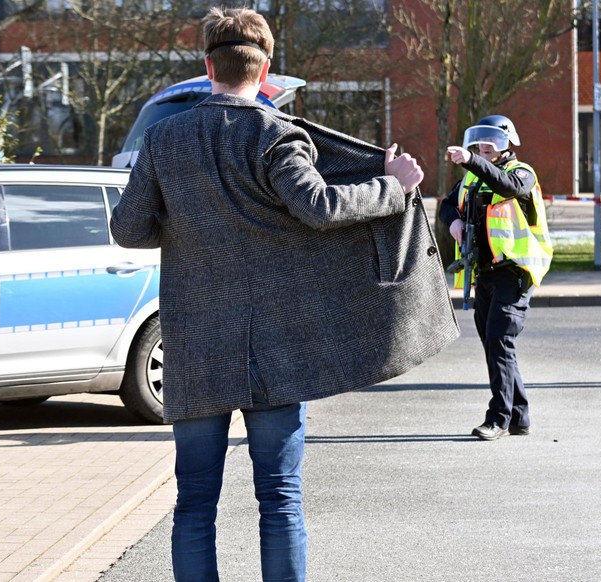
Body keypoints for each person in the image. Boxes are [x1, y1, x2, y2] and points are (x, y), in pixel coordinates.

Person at [110, 7, 459, 581]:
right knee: (279, 499)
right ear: (266, 69)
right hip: (278, 351)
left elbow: (130, 230)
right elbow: (319, 208)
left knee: (194, 504)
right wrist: (392, 186)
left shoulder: (163, 138)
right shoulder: (276, 134)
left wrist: (184, 219)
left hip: (196, 349)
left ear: (208, 65)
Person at [439, 115, 552, 441]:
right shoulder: (472, 180)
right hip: (485, 273)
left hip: (514, 272)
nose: (484, 147)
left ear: (506, 143)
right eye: (480, 141)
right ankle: (519, 417)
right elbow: (448, 204)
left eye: (491, 142)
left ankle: (498, 418)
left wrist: (472, 161)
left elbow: (509, 187)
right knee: (495, 345)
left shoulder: (521, 172)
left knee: (500, 342)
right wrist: (453, 223)